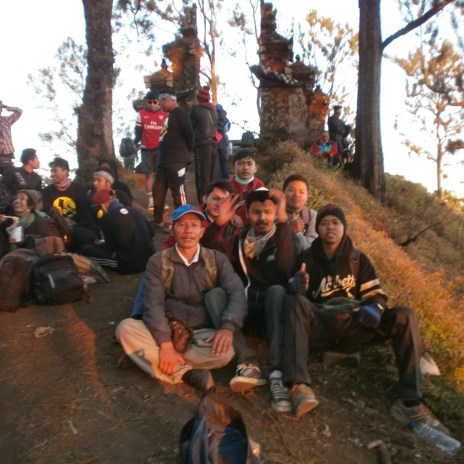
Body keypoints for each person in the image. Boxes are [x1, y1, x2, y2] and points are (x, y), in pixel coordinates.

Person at [281, 204, 448, 431]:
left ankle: (409, 403)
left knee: (405, 316)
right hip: (322, 324)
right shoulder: (307, 258)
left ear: (344, 227)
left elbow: (375, 294)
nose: (330, 227)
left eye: (335, 222)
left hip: (355, 325)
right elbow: (297, 301)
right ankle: (299, 386)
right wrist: (296, 286)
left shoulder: (358, 260)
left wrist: (375, 308)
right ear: (317, 228)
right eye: (324, 223)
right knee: (293, 302)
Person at [115, 204, 247, 392]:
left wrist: (227, 327)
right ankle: (185, 373)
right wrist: (166, 344)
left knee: (225, 353)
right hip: (167, 329)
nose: (188, 231)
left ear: (202, 232)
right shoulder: (158, 261)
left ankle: (147, 356)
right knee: (125, 328)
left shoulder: (216, 260)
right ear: (172, 229)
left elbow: (237, 293)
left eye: (194, 225)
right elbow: (153, 304)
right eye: (182, 225)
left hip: (201, 334)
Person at [201, 188, 296, 412]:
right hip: (243, 310)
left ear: (275, 214)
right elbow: (204, 250)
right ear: (247, 214)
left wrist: (283, 220)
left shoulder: (282, 238)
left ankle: (276, 372)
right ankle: (247, 359)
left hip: (271, 312)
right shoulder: (238, 242)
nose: (262, 218)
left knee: (276, 291)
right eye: (256, 212)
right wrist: (217, 225)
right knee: (214, 294)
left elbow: (284, 267)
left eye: (268, 212)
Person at [81, 189, 155, 274]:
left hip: (129, 265)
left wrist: (99, 245)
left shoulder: (106, 218)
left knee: (86, 250)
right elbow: (152, 233)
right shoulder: (135, 211)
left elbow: (111, 247)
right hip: (150, 259)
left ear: (103, 205)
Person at [152, 88, 194, 228]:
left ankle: (183, 221)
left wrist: (186, 153)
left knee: (178, 191)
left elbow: (189, 134)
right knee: (157, 190)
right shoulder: (169, 116)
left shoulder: (180, 113)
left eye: (160, 102)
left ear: (166, 100)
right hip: (163, 161)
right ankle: (157, 220)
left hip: (177, 160)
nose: (160, 105)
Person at [42, 157, 96, 248]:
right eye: (51, 171)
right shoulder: (46, 192)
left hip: (79, 227)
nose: (52, 174)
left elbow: (85, 212)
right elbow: (46, 213)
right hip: (57, 230)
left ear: (65, 171)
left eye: (55, 171)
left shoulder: (79, 188)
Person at [0, 189, 60, 258]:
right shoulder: (8, 223)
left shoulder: (42, 223)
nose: (17, 201)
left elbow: (51, 246)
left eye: (22, 198)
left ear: (31, 205)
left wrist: (24, 241)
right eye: (16, 198)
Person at [134, 90, 168, 211]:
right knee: (149, 175)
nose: (153, 104)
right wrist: (135, 142)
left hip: (160, 148)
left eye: (155, 102)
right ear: (147, 102)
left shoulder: (165, 113)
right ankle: (151, 201)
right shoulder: (141, 114)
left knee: (160, 176)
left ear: (159, 102)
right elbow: (137, 131)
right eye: (150, 102)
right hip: (146, 148)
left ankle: (160, 200)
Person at [191, 86, 219, 203]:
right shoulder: (214, 110)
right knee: (212, 175)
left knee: (202, 175)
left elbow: (191, 128)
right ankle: (211, 201)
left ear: (199, 99)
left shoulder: (196, 109)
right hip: (213, 143)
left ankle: (203, 202)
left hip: (201, 144)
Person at [229, 149, 266, 227]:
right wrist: (231, 215)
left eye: (249, 164)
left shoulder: (260, 186)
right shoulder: (227, 187)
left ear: (256, 168)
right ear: (233, 168)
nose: (245, 168)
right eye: (240, 163)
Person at [283, 174, 317, 254]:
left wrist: (296, 234)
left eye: (301, 192)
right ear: (283, 192)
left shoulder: (311, 215)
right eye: (291, 190)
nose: (296, 195)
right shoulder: (273, 212)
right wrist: (288, 229)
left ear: (307, 196)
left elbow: (311, 245)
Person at [0, 102, 23, 174]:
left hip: (7, 153)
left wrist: (6, 107)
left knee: (9, 176)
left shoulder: (6, 120)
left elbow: (19, 111)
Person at [216, 103, 231, 181]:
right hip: (224, 138)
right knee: (224, 159)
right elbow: (228, 128)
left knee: (217, 160)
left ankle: (220, 177)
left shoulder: (214, 116)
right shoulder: (226, 118)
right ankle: (225, 176)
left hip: (216, 138)